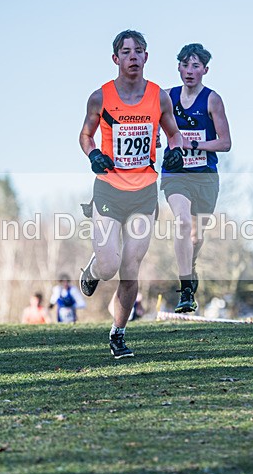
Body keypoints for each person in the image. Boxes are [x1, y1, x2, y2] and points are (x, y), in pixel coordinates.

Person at [78, 29, 185, 359]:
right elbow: (85, 135)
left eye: (139, 51)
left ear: (146, 57)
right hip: (109, 189)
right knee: (109, 265)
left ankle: (118, 333)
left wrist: (176, 151)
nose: (133, 56)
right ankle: (93, 271)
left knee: (130, 269)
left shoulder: (159, 96)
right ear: (116, 59)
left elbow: (174, 134)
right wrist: (93, 153)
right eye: (126, 52)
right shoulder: (101, 97)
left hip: (144, 194)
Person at [162, 43, 231, 314]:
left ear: (205, 70)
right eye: (185, 65)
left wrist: (194, 145)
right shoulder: (166, 97)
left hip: (205, 176)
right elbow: (153, 126)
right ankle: (186, 288)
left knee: (196, 236)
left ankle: (189, 267)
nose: (190, 71)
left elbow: (225, 143)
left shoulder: (212, 100)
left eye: (196, 66)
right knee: (181, 220)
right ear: (178, 66)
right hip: (176, 174)